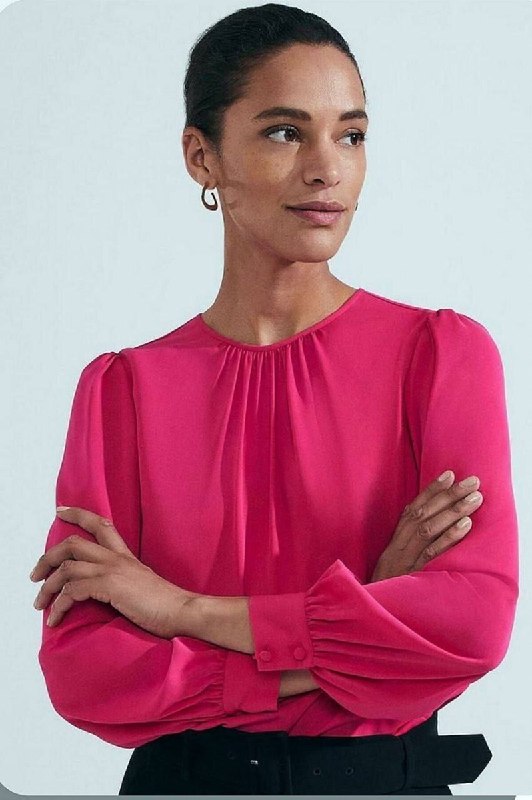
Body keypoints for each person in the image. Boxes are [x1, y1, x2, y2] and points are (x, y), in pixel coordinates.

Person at [30, 3, 518, 795]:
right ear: (202, 156)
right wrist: (360, 616)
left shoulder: (439, 356)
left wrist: (180, 610)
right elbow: (84, 671)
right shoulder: (122, 391)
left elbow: (470, 626)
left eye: (351, 135)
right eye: (286, 132)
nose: (328, 170)